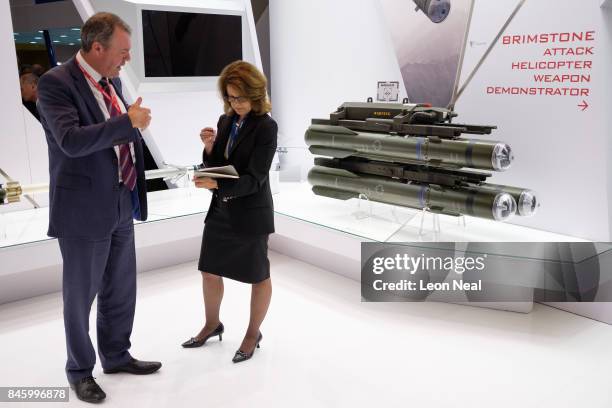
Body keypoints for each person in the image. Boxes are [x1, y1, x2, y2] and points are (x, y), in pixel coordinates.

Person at [36, 12, 161, 403]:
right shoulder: (55, 83)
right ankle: (80, 371)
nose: (126, 59)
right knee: (80, 297)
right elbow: (71, 140)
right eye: (122, 51)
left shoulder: (113, 81)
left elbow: (118, 139)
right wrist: (129, 122)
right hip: (82, 210)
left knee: (121, 290)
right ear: (96, 47)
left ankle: (117, 355)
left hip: (122, 198)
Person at [182, 60, 277, 364]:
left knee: (257, 276)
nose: (235, 104)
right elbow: (218, 165)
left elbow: (256, 177)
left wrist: (217, 187)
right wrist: (209, 148)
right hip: (221, 211)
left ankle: (252, 333)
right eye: (231, 98)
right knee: (209, 270)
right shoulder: (226, 121)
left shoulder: (266, 126)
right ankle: (212, 324)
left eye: (240, 97)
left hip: (250, 212)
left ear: (256, 93)